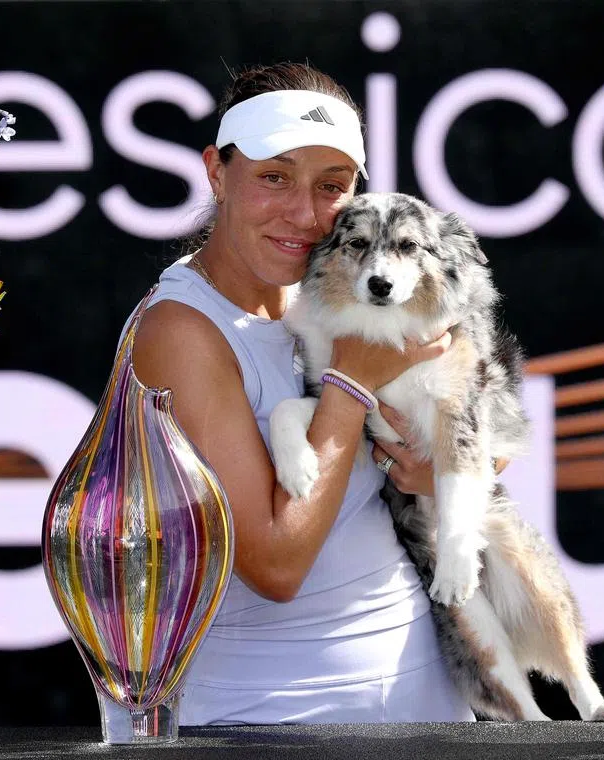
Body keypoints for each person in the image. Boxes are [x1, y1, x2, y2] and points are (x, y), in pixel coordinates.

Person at [130, 62, 475, 725]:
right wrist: (351, 383)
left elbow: (476, 434)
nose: (304, 213)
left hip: (428, 702)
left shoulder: (339, 294)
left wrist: (434, 467)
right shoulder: (180, 330)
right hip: (266, 722)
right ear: (216, 172)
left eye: (332, 187)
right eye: (274, 177)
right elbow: (275, 566)